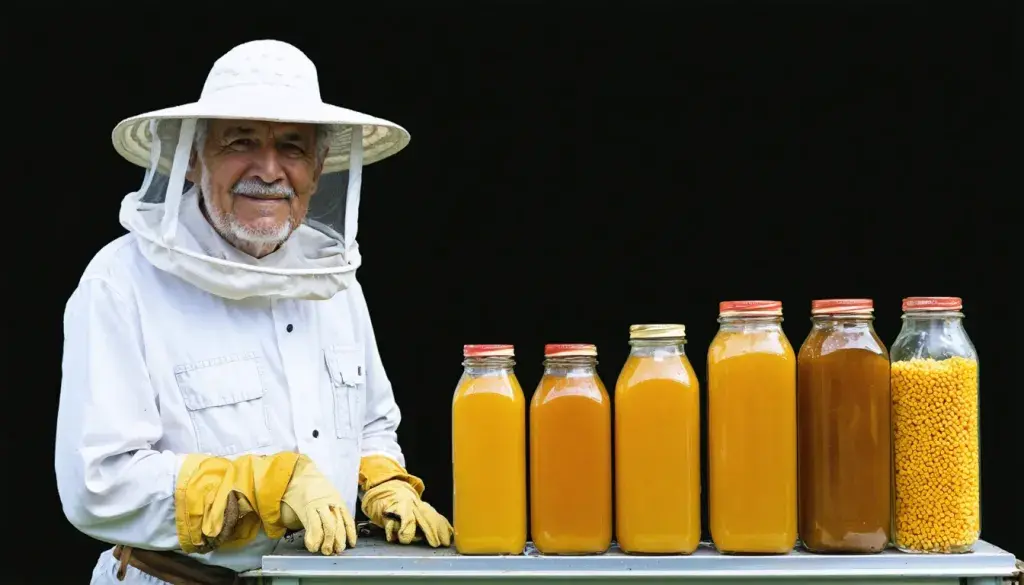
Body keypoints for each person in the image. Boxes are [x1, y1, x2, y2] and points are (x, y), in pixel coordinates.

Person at [55, 39, 453, 584]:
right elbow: (97, 485)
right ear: (193, 159)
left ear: (317, 169)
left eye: (292, 147)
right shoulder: (122, 282)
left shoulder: (332, 281)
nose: (269, 169)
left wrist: (379, 479)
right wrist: (263, 488)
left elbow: (370, 423)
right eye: (241, 141)